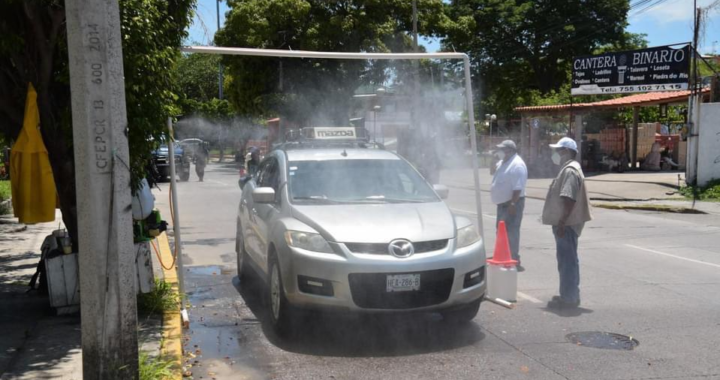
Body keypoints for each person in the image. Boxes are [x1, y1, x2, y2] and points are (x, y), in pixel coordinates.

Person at [542, 137, 593, 309]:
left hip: (567, 224)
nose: (555, 154)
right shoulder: (568, 169)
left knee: (567, 261)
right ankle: (568, 294)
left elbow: (568, 198)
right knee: (567, 260)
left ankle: (569, 299)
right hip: (567, 223)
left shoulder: (570, 171)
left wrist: (562, 222)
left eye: (558, 150)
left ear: (566, 152)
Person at [490, 140, 528, 271]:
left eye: (502, 149)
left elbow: (518, 187)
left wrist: (513, 203)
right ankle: (504, 256)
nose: (499, 152)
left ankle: (514, 259)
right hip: (502, 204)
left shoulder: (517, 165)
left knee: (511, 231)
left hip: (512, 203)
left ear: (510, 150)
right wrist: (492, 159)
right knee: (501, 231)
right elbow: (492, 172)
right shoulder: (503, 162)